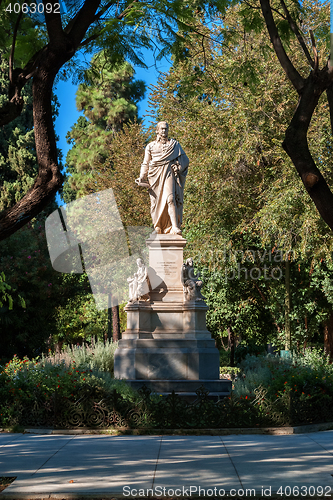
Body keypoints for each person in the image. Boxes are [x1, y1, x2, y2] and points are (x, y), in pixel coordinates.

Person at [137, 121, 189, 235]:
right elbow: (145, 163)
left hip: (168, 173)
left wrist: (178, 167)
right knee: (156, 203)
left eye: (166, 129)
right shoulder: (151, 146)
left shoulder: (174, 145)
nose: (164, 131)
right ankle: (158, 227)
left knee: (170, 199)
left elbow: (185, 160)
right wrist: (142, 176)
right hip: (154, 176)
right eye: (162, 129)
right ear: (157, 130)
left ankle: (174, 227)